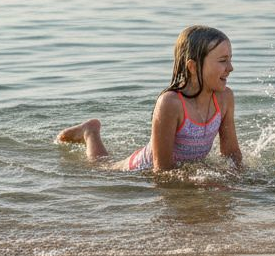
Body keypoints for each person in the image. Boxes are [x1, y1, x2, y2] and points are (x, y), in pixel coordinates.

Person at [57, 25, 242, 171]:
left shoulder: (225, 98)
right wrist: (202, 182)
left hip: (179, 167)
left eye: (231, 59)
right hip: (139, 169)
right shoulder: (171, 103)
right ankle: (90, 132)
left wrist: (242, 180)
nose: (231, 67)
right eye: (222, 61)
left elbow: (232, 154)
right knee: (102, 166)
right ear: (193, 67)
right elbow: (162, 170)